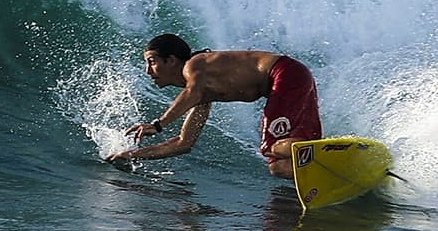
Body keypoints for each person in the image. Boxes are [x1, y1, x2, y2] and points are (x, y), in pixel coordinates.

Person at [105, 33, 322, 179]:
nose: (148, 71)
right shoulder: (201, 94)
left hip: (284, 73)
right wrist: (132, 155)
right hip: (290, 79)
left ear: (171, 60)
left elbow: (192, 92)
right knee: (276, 165)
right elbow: (183, 143)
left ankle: (321, 152)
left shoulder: (195, 65)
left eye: (152, 62)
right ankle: (327, 167)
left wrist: (158, 124)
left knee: (271, 147)